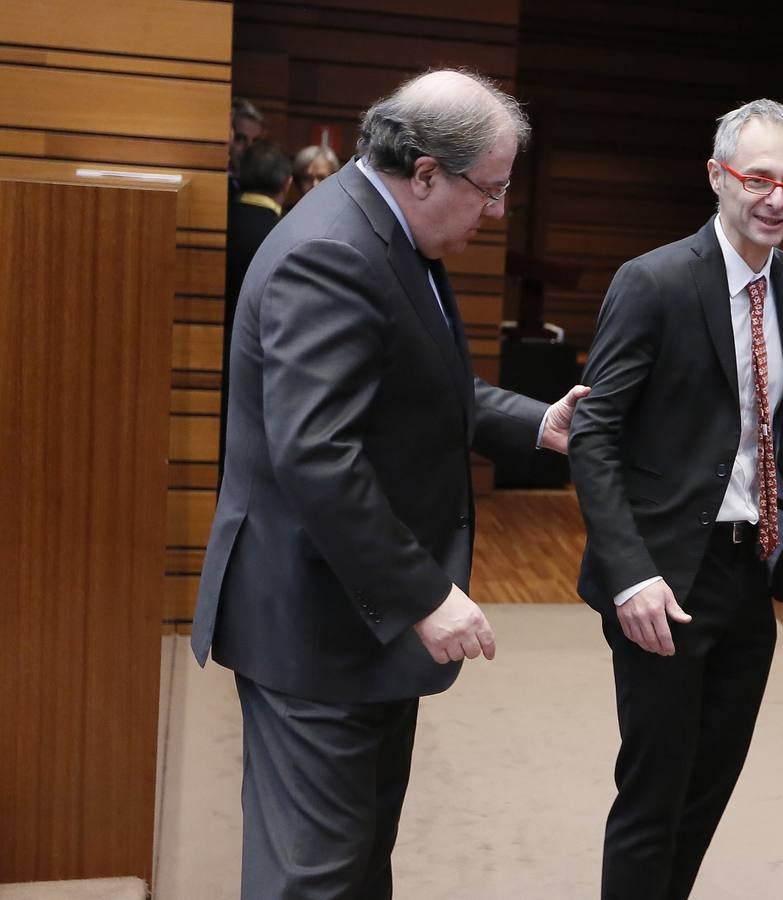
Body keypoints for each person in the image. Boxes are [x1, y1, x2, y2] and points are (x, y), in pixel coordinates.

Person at [192, 69, 588, 899]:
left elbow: (423, 387)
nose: (499, 211)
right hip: (315, 621)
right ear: (426, 172)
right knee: (318, 877)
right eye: (491, 189)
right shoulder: (336, 250)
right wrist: (422, 595)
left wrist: (534, 420)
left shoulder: (393, 230)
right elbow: (317, 454)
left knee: (360, 861)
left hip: (355, 617)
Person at [569, 99, 783, 900]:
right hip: (661, 580)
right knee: (654, 793)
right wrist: (629, 575)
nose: (777, 198)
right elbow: (594, 434)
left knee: (709, 786)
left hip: (752, 573)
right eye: (759, 178)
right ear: (718, 178)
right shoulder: (653, 281)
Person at [219, 139, 293, 482]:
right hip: (263, 367)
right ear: (287, 183)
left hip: (212, 358)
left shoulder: (218, 224)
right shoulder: (288, 235)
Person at [227, 97, 264, 196]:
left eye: (255, 140)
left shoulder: (263, 187)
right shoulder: (219, 183)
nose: (249, 148)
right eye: (241, 139)